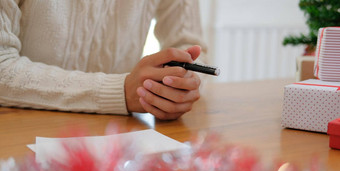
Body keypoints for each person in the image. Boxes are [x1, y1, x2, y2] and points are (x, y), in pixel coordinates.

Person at [0, 0, 207, 120]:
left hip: (117, 133)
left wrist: (176, 88)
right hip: (21, 126)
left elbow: (189, 43)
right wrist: (119, 91)